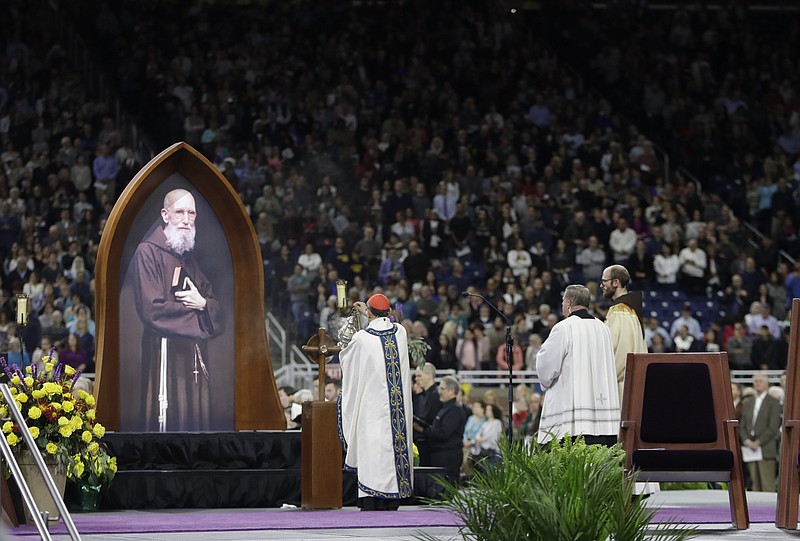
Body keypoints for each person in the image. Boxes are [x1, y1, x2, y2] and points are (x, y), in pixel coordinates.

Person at [131, 189, 224, 432]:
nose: (185, 219)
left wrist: (202, 304)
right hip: (164, 352)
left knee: (193, 415)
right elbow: (152, 311)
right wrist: (196, 313)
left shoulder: (187, 257)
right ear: (165, 214)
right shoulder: (147, 252)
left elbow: (212, 303)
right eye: (179, 212)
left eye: (191, 213)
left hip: (191, 354)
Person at [338, 293, 414, 511]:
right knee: (390, 452)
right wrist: (371, 314)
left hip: (372, 410)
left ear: (369, 313)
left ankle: (372, 501)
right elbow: (388, 323)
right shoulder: (400, 332)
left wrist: (362, 316)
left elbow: (346, 355)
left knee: (374, 453)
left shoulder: (362, 338)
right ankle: (393, 499)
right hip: (398, 411)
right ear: (389, 312)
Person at [536, 284, 619, 446]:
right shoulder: (603, 328)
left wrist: (545, 382)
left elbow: (546, 364)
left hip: (572, 422)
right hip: (603, 418)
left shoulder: (564, 328)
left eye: (563, 301)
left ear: (569, 302)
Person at [600, 265, 647, 401]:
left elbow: (620, 354)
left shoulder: (621, 312)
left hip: (620, 387)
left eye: (604, 281)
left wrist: (601, 378)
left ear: (616, 282)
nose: (601, 285)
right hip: (628, 383)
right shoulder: (628, 309)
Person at [418, 375, 467, 483]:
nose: (439, 391)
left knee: (445, 491)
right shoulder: (445, 408)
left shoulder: (454, 410)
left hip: (448, 456)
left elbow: (443, 434)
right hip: (439, 454)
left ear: (452, 391)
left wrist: (423, 430)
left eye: (442, 388)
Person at [740, 373, 782, 492]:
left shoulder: (773, 402)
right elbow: (742, 425)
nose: (757, 383)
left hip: (766, 448)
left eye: (760, 381)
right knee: (754, 485)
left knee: (767, 484)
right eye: (755, 381)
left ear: (766, 384)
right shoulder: (748, 402)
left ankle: (770, 510)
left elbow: (773, 427)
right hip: (750, 449)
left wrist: (758, 442)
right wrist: (747, 441)